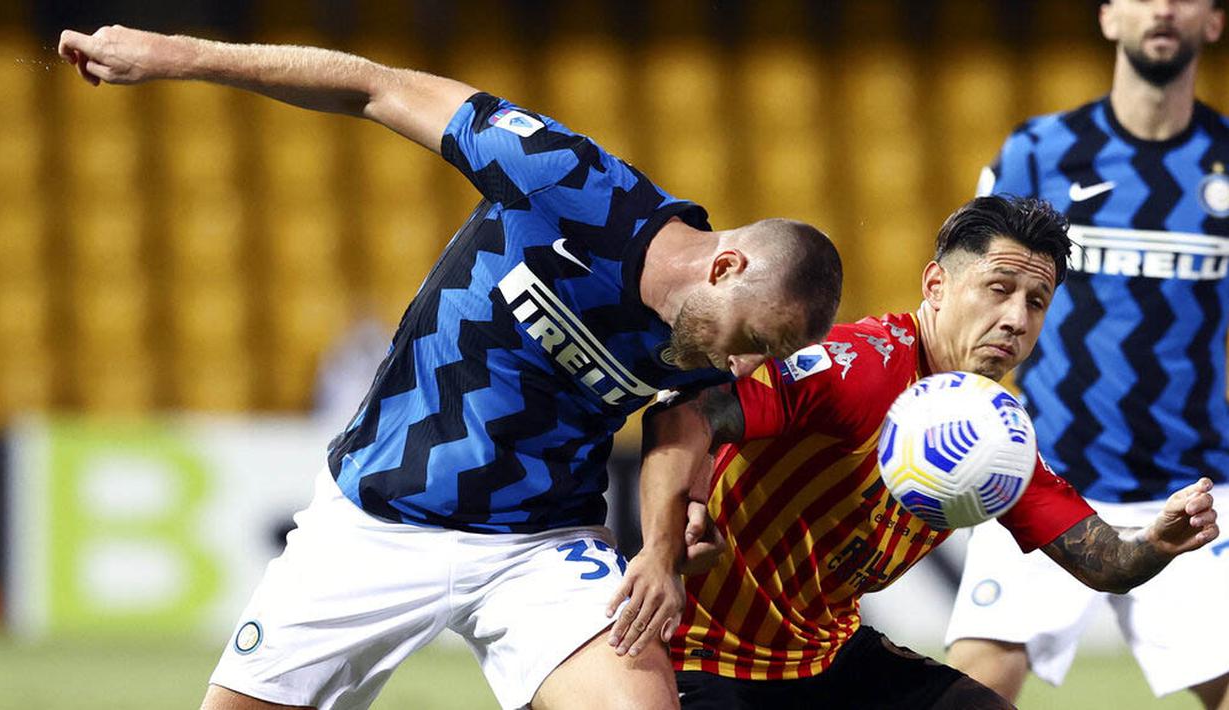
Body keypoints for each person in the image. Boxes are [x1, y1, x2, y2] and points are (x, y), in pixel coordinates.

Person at [56, 25, 844, 710]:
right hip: (381, 516)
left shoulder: (702, 344)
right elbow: (374, 87)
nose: (747, 366)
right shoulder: (570, 183)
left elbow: (680, 418)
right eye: (756, 341)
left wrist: (662, 546)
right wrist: (175, 55)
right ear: (725, 265)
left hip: (540, 545)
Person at [641, 195, 1220, 709]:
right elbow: (686, 410)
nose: (1016, 320)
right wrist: (677, 524)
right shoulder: (857, 367)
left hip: (823, 660)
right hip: (699, 655)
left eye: (1036, 302)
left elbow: (1102, 561)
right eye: (998, 289)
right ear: (936, 286)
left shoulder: (992, 435)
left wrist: (1157, 542)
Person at [944, 2, 1229, 707]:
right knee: (969, 692)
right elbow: (965, 295)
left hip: (1194, 490)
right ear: (1106, 17)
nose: (1162, 7)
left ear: (1215, 22)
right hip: (1045, 474)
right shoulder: (1037, 153)